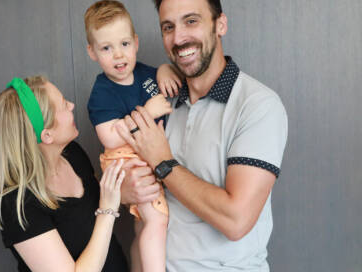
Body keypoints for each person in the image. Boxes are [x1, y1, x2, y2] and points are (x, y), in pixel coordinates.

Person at [115, 0, 288, 270]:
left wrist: (163, 163)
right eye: (168, 27)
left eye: (191, 21)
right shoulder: (161, 100)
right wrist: (125, 192)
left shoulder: (258, 105)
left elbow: (236, 220)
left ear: (220, 24)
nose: (179, 38)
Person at [0, 76, 129, 272]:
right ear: (47, 135)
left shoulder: (73, 154)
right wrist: (107, 212)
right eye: (63, 105)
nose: (72, 105)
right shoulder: (17, 204)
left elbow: (96, 216)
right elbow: (105, 210)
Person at [84, 1, 182, 271]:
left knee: (143, 226)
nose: (118, 55)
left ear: (136, 43)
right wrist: (147, 114)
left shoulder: (144, 73)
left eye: (124, 44)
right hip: (126, 159)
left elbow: (172, 76)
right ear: (92, 52)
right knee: (157, 220)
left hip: (147, 152)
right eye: (106, 48)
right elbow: (111, 139)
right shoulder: (102, 92)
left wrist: (165, 69)